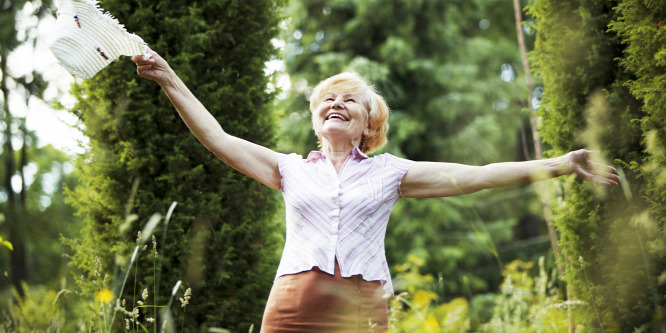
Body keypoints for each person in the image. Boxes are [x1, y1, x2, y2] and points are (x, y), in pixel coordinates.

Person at [132, 50, 620, 332]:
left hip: (361, 307)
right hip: (292, 304)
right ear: (317, 120)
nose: (337, 103)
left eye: (350, 100)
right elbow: (217, 137)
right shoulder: (288, 169)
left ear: (369, 124)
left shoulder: (392, 173)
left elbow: (480, 173)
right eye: (328, 98)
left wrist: (561, 163)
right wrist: (167, 76)